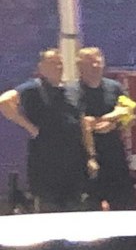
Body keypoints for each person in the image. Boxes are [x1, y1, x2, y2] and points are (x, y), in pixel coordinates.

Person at [0, 49, 88, 212]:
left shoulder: (72, 90)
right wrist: (30, 128)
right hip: (46, 165)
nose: (58, 67)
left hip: (74, 164)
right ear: (41, 67)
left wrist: (90, 155)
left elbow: (82, 121)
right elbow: (4, 102)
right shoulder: (33, 88)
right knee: (50, 211)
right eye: (52, 63)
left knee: (76, 211)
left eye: (60, 63)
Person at [73, 47, 136, 209]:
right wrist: (112, 116)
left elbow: (130, 118)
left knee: (124, 203)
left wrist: (115, 123)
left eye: (98, 61)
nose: (95, 66)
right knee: (90, 205)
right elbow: (82, 122)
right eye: (90, 62)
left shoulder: (115, 87)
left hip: (115, 154)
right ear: (79, 66)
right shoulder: (71, 91)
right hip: (85, 157)